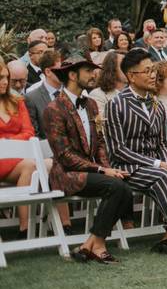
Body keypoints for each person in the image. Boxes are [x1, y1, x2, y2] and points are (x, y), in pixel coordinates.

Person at [104, 48, 167, 258]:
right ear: (132, 76)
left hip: (159, 165)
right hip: (127, 167)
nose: (153, 75)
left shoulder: (157, 105)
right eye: (148, 71)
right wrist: (158, 164)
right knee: (162, 176)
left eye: (153, 70)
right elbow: (117, 149)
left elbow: (162, 143)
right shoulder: (115, 104)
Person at [42, 56, 133, 264]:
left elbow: (100, 143)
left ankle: (89, 245)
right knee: (116, 186)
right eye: (89, 71)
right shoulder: (53, 109)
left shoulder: (91, 104)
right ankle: (98, 246)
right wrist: (102, 171)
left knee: (124, 187)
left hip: (91, 171)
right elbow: (65, 156)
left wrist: (108, 168)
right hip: (66, 175)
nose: (94, 74)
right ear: (73, 75)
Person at [0, 61, 44, 239]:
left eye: (6, 77)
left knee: (49, 163)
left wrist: (8, 141)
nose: (5, 82)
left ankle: (64, 225)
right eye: (0, 78)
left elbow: (29, 132)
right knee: (31, 166)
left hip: (20, 158)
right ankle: (25, 227)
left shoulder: (17, 101)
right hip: (8, 161)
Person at [24, 48, 62, 138]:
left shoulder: (70, 92)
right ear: (48, 72)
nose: (64, 72)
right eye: (60, 69)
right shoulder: (32, 98)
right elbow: (34, 134)